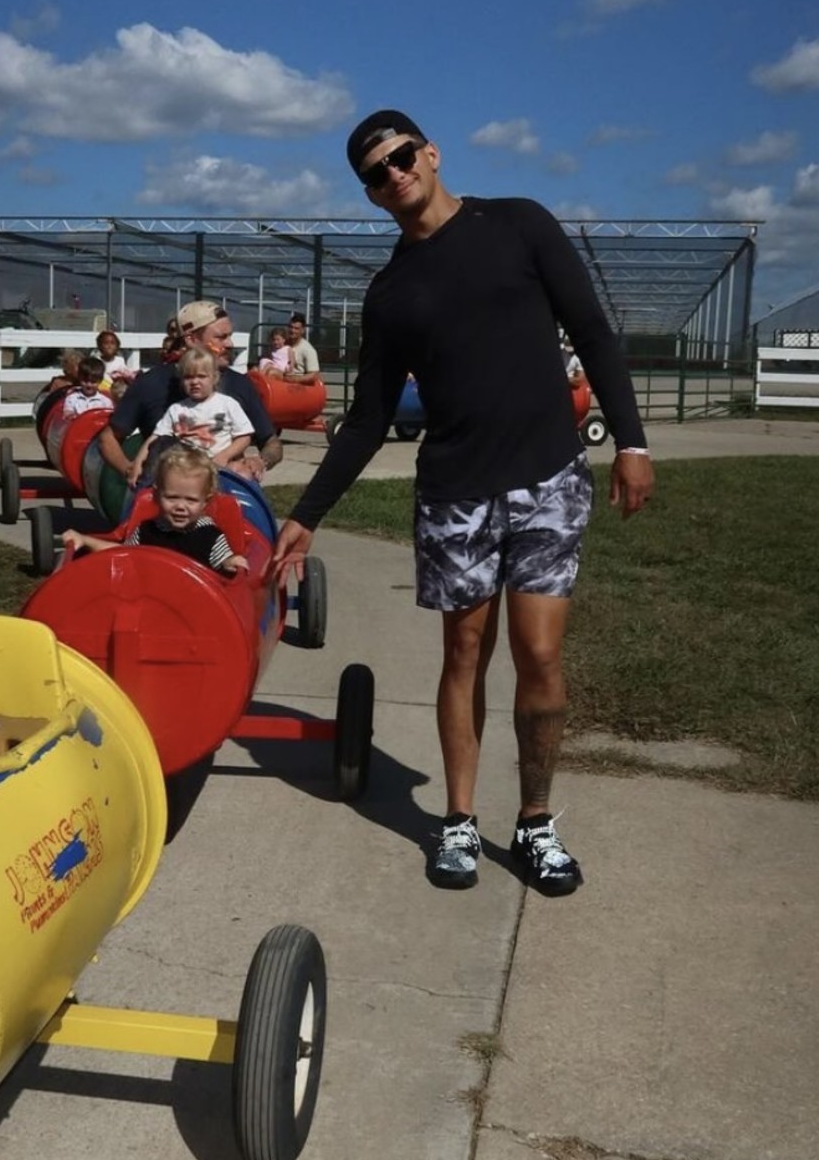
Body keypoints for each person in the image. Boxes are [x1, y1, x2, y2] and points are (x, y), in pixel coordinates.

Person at [273, 108, 654, 897]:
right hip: (456, 495)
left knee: (540, 653)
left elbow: (590, 329)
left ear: (431, 152)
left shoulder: (517, 225)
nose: (393, 173)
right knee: (463, 653)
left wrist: (631, 441)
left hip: (548, 475)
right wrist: (306, 513)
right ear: (371, 196)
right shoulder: (390, 293)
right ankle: (455, 821)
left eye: (401, 156)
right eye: (374, 173)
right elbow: (369, 418)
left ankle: (536, 821)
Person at [95, 300, 283, 486]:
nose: (230, 343)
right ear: (191, 339)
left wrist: (260, 461)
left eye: (230, 336)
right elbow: (108, 438)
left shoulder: (240, 384)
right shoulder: (150, 384)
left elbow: (272, 443)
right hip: (168, 501)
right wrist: (129, 469)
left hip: (223, 493)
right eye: (221, 337)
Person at [63, 444, 248, 576]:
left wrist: (230, 562)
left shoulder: (210, 536)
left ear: (204, 502)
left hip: (193, 615)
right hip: (150, 607)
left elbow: (226, 564)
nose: (180, 507)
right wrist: (85, 540)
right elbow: (122, 554)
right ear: (157, 496)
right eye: (172, 497)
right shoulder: (147, 531)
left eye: (191, 500)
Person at [128, 345, 253, 485]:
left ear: (215, 378)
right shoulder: (177, 409)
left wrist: (225, 456)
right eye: (188, 377)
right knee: (162, 447)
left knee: (243, 473)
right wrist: (138, 463)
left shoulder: (227, 404)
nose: (194, 382)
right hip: (185, 470)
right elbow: (155, 439)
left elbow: (244, 437)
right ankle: (148, 493)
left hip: (220, 465)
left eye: (201, 376)